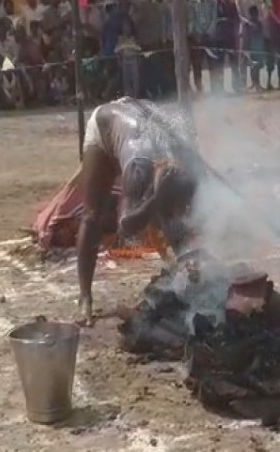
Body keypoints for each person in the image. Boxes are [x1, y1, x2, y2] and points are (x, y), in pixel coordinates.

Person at [76, 98, 203, 324]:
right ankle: (84, 297)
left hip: (141, 116)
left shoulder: (184, 164)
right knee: (92, 215)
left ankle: (188, 277)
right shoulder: (139, 172)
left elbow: (182, 217)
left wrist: (193, 257)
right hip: (107, 129)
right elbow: (126, 227)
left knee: (171, 218)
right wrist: (155, 199)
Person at [188, 0, 218, 95]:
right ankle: (199, 88)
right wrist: (198, 34)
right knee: (197, 64)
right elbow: (192, 18)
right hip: (197, 37)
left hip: (210, 36)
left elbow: (214, 17)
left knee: (212, 63)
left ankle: (215, 88)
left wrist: (209, 31)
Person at [241, 4, 266, 91]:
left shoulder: (259, 23)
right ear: (250, 14)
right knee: (252, 66)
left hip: (259, 48)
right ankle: (254, 83)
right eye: (253, 13)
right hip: (251, 48)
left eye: (256, 13)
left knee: (258, 66)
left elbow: (262, 35)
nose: (255, 15)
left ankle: (257, 83)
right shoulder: (248, 24)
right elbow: (245, 36)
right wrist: (245, 49)